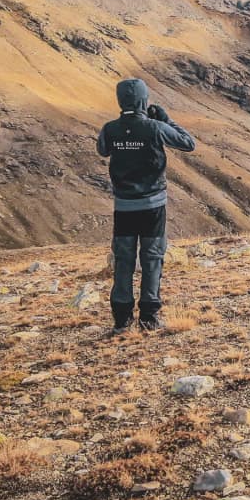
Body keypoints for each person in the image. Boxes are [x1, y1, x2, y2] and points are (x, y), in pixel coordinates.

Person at [96, 78, 195, 334]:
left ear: (120, 100)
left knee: (124, 259)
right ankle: (149, 318)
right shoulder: (154, 127)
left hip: (124, 207)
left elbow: (102, 150)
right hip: (152, 206)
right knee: (151, 258)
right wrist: (165, 120)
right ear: (143, 99)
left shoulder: (110, 129)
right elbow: (188, 143)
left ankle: (121, 320)